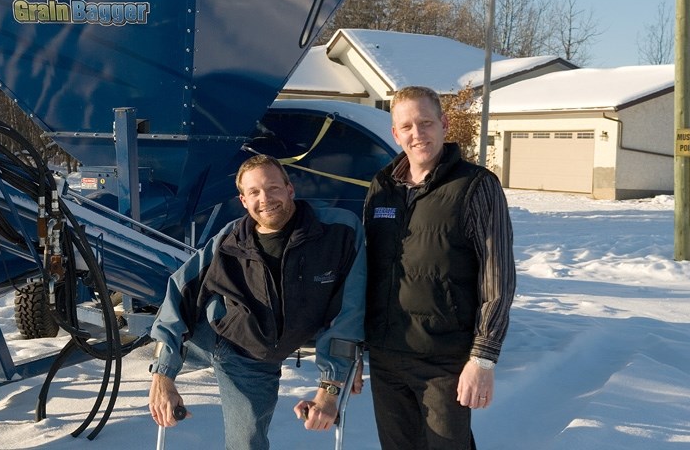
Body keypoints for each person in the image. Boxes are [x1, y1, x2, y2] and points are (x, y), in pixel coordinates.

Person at [147, 154, 366, 450]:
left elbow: (349, 310)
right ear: (243, 200)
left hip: (256, 354)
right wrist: (163, 375)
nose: (265, 199)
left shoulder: (339, 231)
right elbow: (180, 291)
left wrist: (332, 384)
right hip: (220, 336)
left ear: (290, 189)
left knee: (246, 444)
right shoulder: (230, 240)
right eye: (254, 192)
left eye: (273, 188)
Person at [363, 86, 516, 450]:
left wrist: (483, 357)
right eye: (407, 126)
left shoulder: (476, 186)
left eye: (426, 122)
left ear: (444, 124)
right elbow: (366, 271)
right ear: (395, 134)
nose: (418, 134)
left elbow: (499, 278)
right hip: (386, 356)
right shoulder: (383, 187)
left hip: (443, 360)